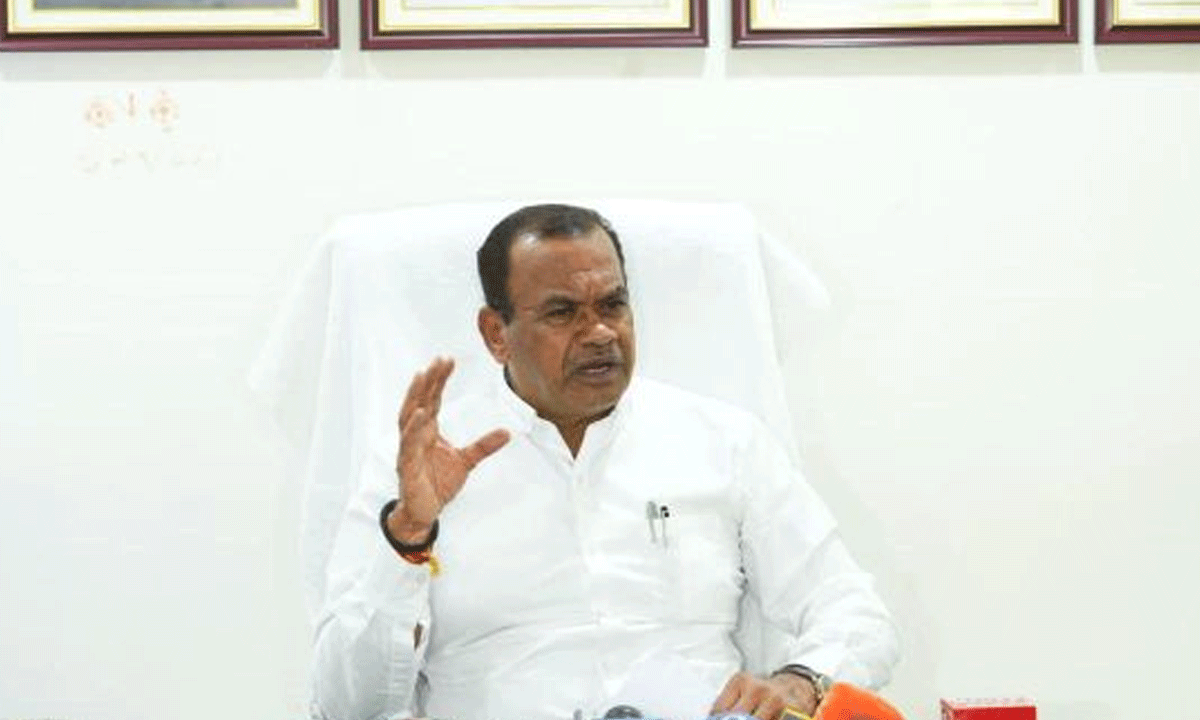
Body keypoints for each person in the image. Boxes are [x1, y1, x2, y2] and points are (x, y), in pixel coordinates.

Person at [311, 204, 899, 720]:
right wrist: (410, 535)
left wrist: (802, 680)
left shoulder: (722, 442)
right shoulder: (421, 468)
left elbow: (855, 611)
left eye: (613, 305)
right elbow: (345, 705)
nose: (599, 333)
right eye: (562, 312)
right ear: (496, 334)